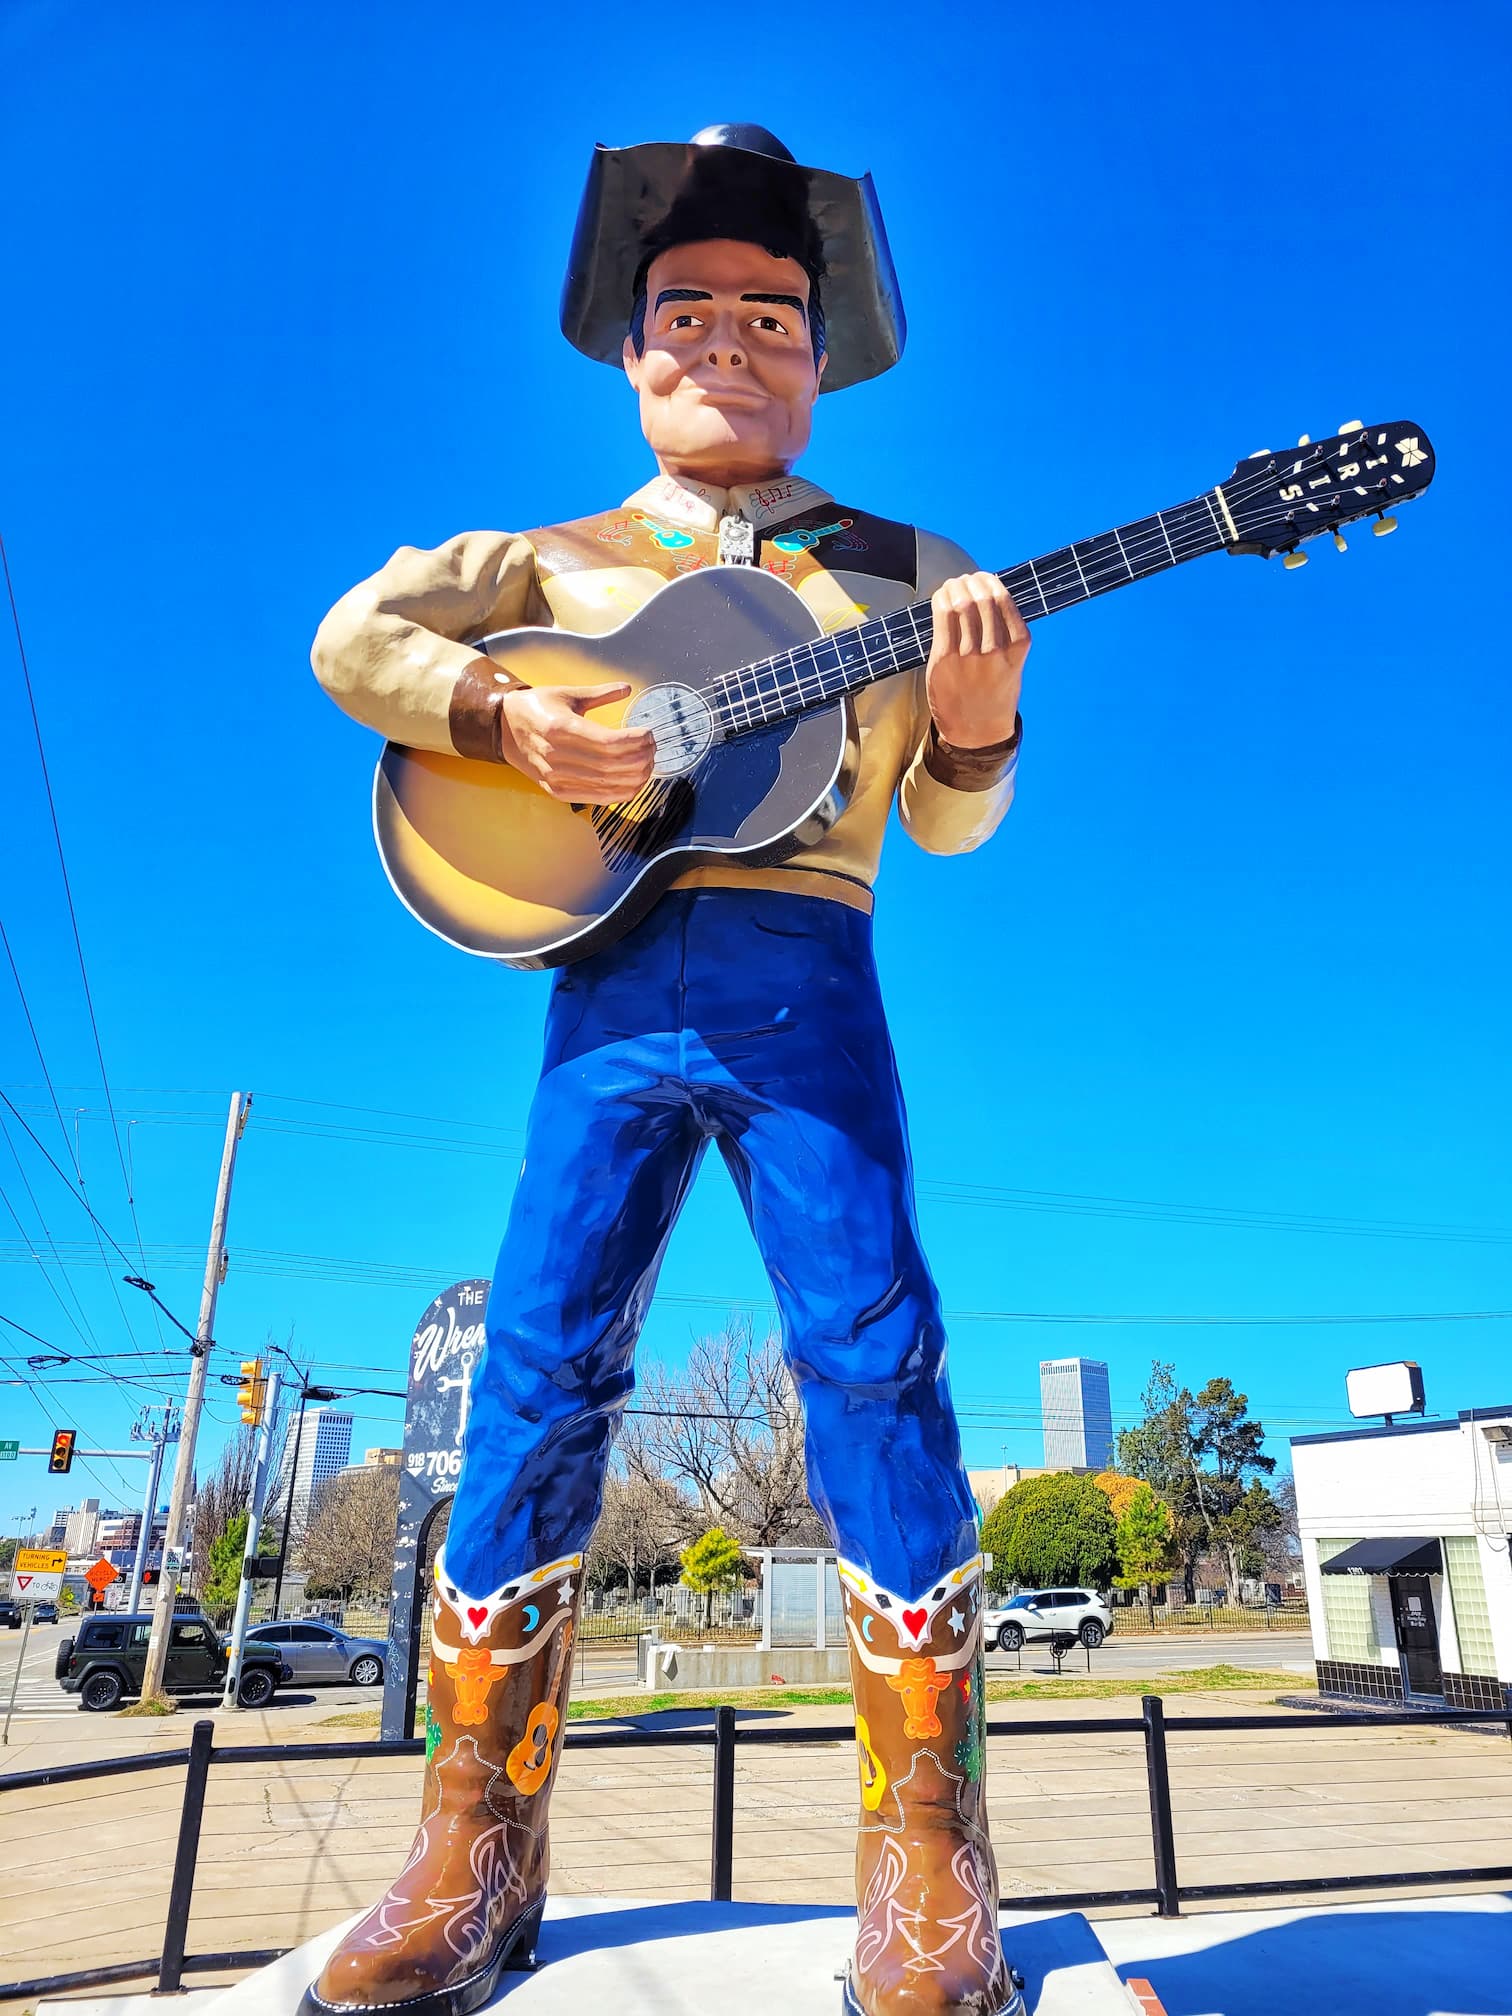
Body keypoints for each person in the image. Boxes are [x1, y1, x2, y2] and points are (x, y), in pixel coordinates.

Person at [302, 125, 1028, 2016]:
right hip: (608, 974)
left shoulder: (914, 570)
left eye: (769, 314)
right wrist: (503, 711)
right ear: (633, 349)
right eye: (687, 309)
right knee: (539, 1363)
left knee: (874, 1353)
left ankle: (928, 1859)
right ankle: (473, 1846)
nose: (727, 339)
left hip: (811, 968)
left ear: (821, 353)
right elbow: (352, 640)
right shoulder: (547, 561)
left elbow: (946, 826)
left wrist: (977, 725)